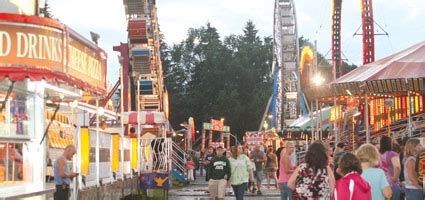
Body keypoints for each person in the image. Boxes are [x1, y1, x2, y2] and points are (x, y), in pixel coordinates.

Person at [379, 136, 401, 200]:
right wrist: (395, 178)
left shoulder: (378, 154)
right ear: (390, 143)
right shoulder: (392, 154)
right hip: (392, 184)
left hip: (382, 185)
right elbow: (397, 167)